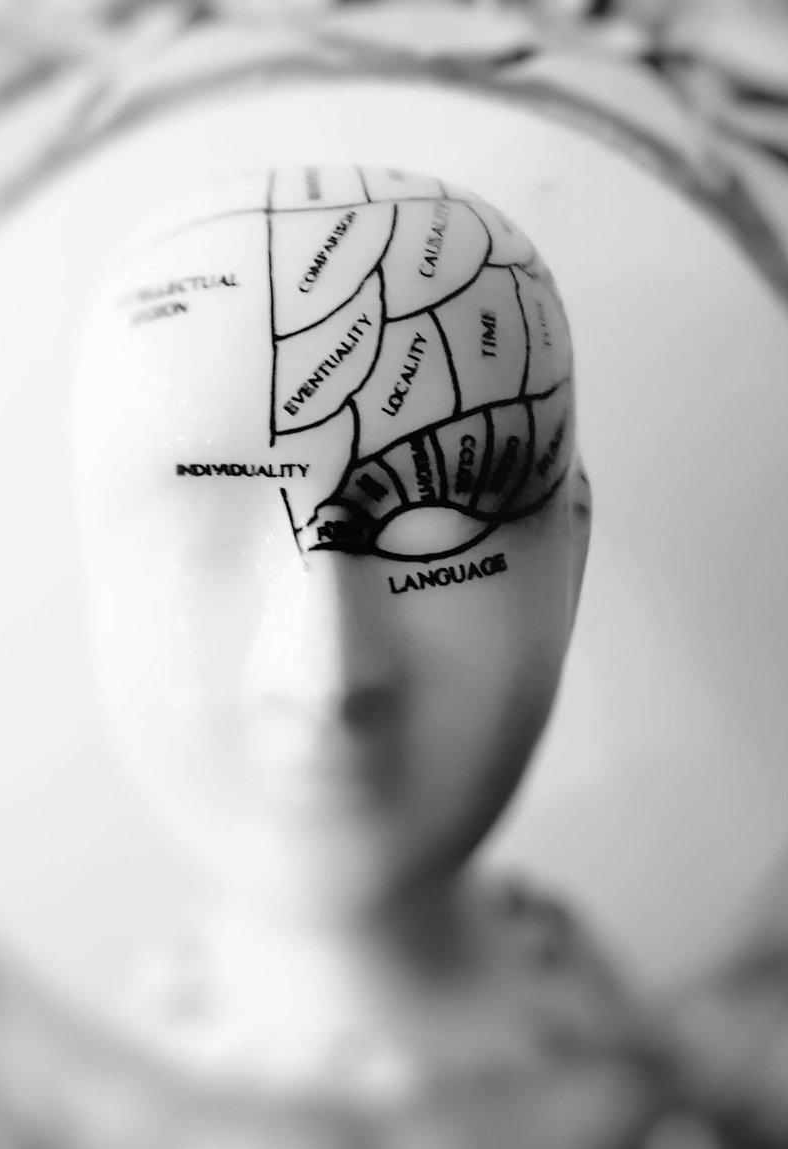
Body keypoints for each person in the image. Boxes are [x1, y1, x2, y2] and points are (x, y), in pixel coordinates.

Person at [71, 164, 627, 1104]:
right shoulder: (121, 1084)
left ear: (570, 559)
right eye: (201, 534)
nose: (323, 672)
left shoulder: (593, 1022)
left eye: (437, 521)